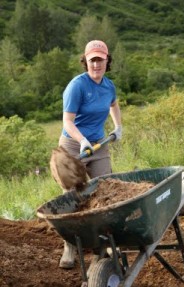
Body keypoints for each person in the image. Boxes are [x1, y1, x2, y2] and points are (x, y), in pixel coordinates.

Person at [58, 40, 122, 269]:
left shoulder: (109, 86)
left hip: (99, 144)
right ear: (86, 61)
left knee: (104, 190)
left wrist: (117, 127)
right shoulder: (77, 86)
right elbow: (67, 121)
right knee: (71, 197)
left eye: (100, 59)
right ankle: (70, 247)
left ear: (107, 60)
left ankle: (100, 244)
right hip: (73, 146)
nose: (96, 64)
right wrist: (82, 140)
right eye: (92, 60)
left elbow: (114, 105)